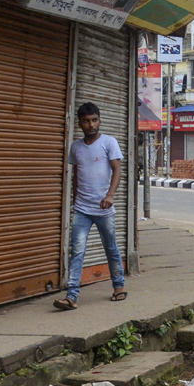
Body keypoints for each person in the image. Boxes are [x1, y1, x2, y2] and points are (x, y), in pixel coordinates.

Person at [54, 103, 125, 310]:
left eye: (94, 120)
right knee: (77, 250)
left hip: (104, 209)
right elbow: (76, 175)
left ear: (99, 120)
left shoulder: (109, 142)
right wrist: (75, 199)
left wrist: (110, 195)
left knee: (111, 248)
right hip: (82, 209)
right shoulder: (76, 147)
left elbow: (117, 170)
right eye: (86, 121)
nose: (91, 124)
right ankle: (72, 296)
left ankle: (119, 287)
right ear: (80, 123)